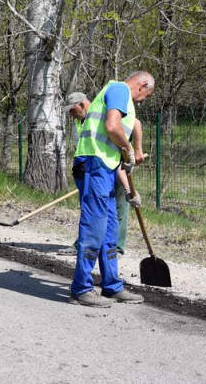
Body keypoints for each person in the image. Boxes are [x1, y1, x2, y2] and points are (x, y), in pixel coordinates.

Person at [69, 71, 155, 308]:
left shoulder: (120, 97)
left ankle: (112, 285)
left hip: (104, 166)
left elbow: (116, 143)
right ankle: (81, 288)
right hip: (93, 166)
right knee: (95, 226)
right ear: (143, 84)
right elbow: (112, 126)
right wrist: (128, 149)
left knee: (110, 229)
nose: (143, 100)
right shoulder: (119, 89)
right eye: (147, 95)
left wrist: (129, 190)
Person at [58, 92, 144, 256]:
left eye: (72, 110)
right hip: (96, 169)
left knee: (119, 206)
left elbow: (135, 124)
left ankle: (115, 248)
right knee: (92, 209)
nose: (71, 115)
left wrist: (137, 150)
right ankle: (85, 245)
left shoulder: (101, 115)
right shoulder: (81, 122)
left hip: (115, 165)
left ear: (82, 105)